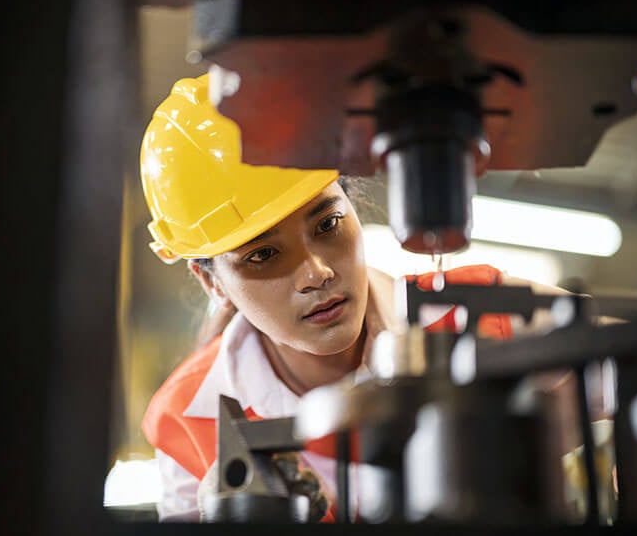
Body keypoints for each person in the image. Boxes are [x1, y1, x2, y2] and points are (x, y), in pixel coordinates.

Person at [138, 73, 571, 522]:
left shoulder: (481, 315)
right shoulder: (186, 422)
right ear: (213, 282)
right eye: (263, 254)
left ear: (352, 206)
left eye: (327, 225)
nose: (317, 273)